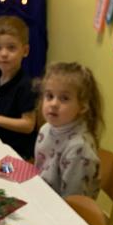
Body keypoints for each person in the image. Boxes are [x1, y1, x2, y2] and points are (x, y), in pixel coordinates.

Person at [34, 62, 103, 199]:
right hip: (42, 196)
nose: (53, 104)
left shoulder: (79, 149)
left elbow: (73, 203)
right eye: (49, 96)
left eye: (64, 98)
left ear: (83, 106)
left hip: (62, 209)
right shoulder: (46, 129)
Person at [0, 15, 37, 159]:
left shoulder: (25, 85)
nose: (3, 54)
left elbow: (28, 125)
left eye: (11, 48)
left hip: (15, 154)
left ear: (25, 51)